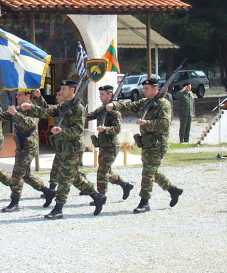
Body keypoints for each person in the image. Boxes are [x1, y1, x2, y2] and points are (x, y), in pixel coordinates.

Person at [20, 80, 107, 219]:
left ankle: (58, 208)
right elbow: (48, 111)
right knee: (74, 177)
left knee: (64, 178)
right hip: (63, 148)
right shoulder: (64, 105)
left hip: (73, 148)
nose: (60, 91)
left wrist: (61, 130)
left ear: (72, 90)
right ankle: (97, 197)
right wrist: (32, 106)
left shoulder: (78, 107)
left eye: (64, 89)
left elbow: (78, 130)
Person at [105, 78, 183, 213]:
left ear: (155, 89)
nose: (144, 91)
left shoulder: (163, 104)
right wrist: (115, 105)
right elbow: (130, 106)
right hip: (147, 142)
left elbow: (165, 123)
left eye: (147, 89)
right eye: (144, 88)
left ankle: (144, 201)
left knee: (148, 172)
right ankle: (172, 190)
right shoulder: (145, 103)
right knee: (152, 170)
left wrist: (147, 123)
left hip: (158, 143)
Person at [0, 90, 54, 212]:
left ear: (28, 96)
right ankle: (48, 192)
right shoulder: (18, 108)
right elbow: (4, 115)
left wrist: (16, 114)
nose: (17, 97)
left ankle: (15, 202)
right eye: (17, 95)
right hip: (21, 145)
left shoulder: (34, 109)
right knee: (26, 175)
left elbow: (30, 124)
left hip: (29, 146)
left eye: (19, 95)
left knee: (17, 174)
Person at [86, 85, 135, 201]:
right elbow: (90, 116)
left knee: (102, 171)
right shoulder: (102, 109)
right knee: (106, 170)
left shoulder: (114, 111)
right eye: (100, 94)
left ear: (110, 95)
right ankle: (124, 185)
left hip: (111, 145)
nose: (100, 96)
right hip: (103, 145)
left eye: (102, 94)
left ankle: (101, 197)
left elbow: (117, 129)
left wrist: (106, 129)